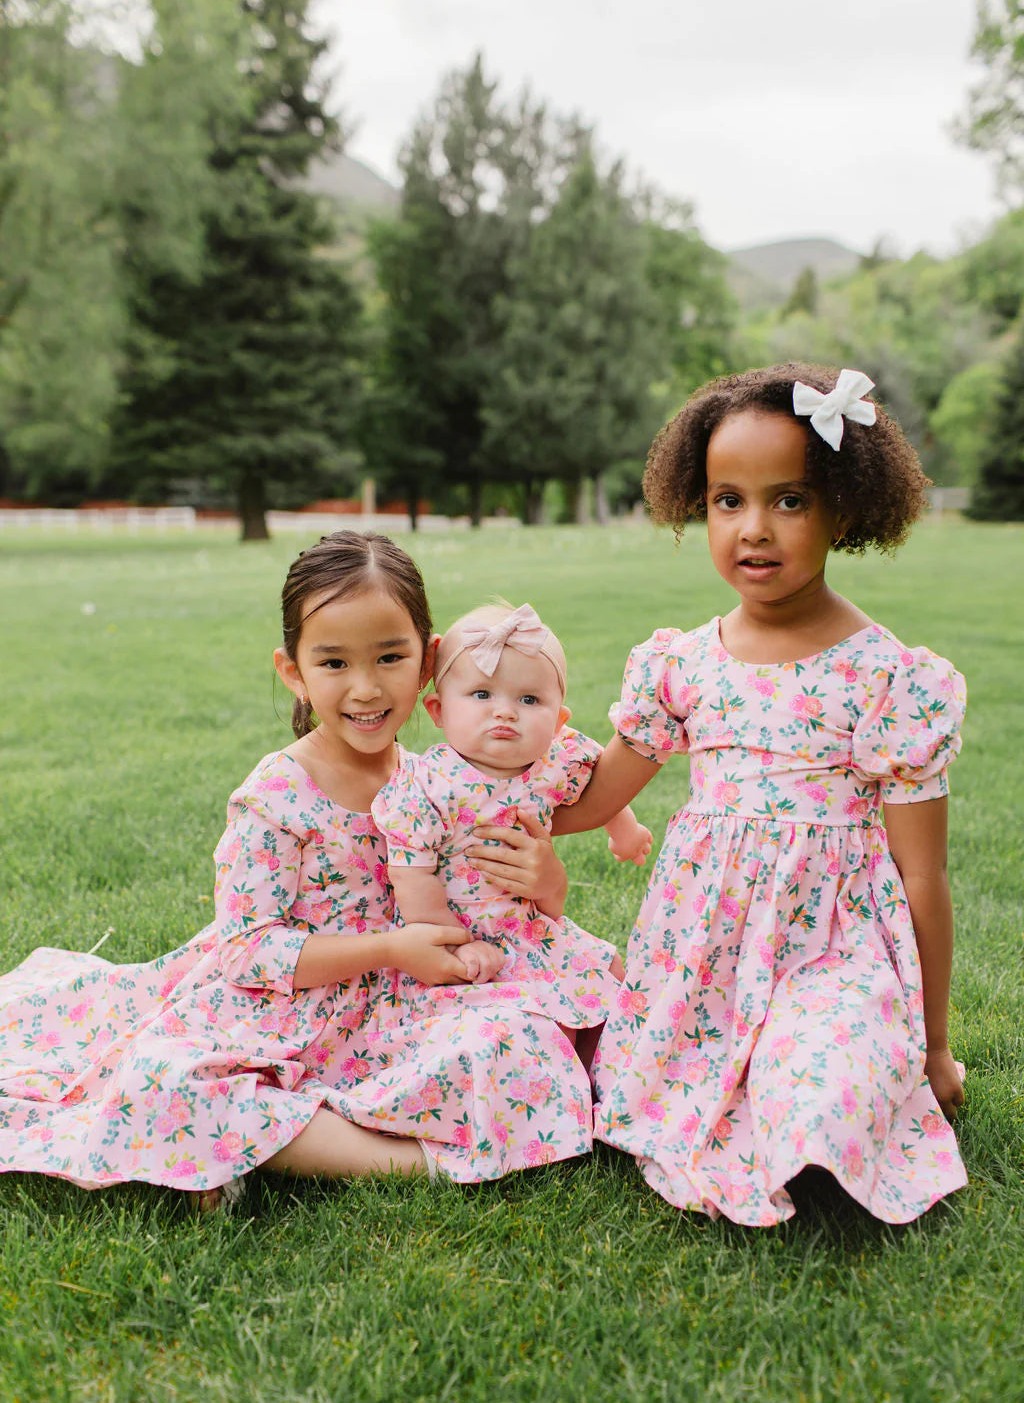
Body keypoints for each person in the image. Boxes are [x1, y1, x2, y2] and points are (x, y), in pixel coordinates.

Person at [0, 533, 596, 1208]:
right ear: (294, 671)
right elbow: (247, 949)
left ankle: (294, 1135)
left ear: (428, 662)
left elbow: (505, 904)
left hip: (413, 1000)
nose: (366, 688)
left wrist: (547, 881)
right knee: (174, 1082)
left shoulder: (445, 777)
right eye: (334, 662)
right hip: (291, 1004)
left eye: (390, 658)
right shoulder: (276, 797)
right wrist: (390, 948)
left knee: (527, 1044)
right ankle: (388, 1158)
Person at [553, 364, 968, 1226]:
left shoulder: (890, 678)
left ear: (844, 508)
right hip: (703, 958)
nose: (754, 529)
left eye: (790, 500)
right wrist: (488, 802)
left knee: (824, 1089)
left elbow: (921, 876)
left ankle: (819, 1124)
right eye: (725, 500)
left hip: (832, 952)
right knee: (654, 1089)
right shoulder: (683, 663)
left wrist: (933, 1049)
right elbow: (594, 798)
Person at [371, 603, 652, 1055]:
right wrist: (454, 945)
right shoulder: (427, 785)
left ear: (559, 720)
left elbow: (596, 775)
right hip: (464, 934)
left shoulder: (551, 763)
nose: (505, 712)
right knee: (532, 1025)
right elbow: (412, 875)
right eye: (482, 695)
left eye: (528, 700)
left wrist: (626, 831)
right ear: (439, 710)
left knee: (613, 974)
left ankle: (610, 1075)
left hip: (530, 929)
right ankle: (561, 1081)